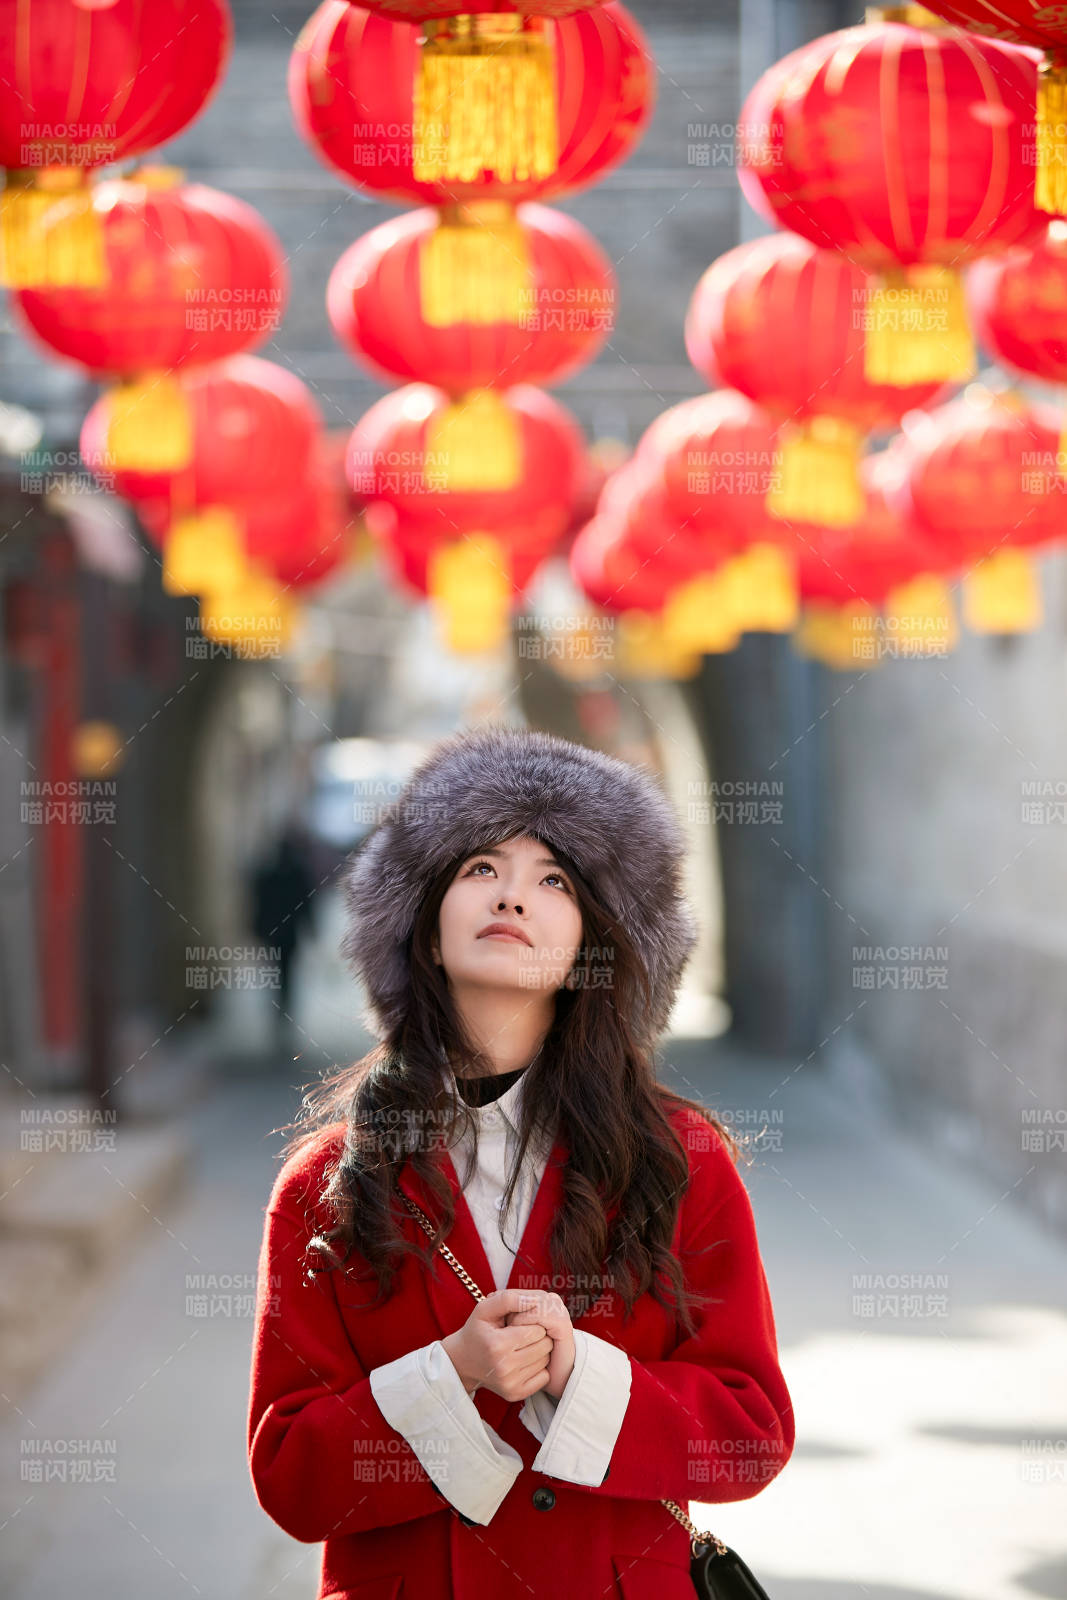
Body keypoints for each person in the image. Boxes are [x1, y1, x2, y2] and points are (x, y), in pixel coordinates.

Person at [246, 725, 794, 1599]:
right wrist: (451, 1372)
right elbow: (291, 1478)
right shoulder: (326, 1182)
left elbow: (750, 1431)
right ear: (424, 933)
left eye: (553, 880)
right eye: (479, 869)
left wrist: (583, 1374)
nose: (511, 896)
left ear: (590, 951)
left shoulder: (680, 1161)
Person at [248, 825, 316, 1045]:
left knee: (276, 972)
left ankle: (279, 1008)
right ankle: (283, 1007)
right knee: (286, 972)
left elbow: (258, 905)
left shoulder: (268, 873)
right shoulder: (297, 873)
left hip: (274, 933)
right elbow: (306, 906)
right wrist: (311, 929)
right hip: (289, 933)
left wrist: (256, 928)